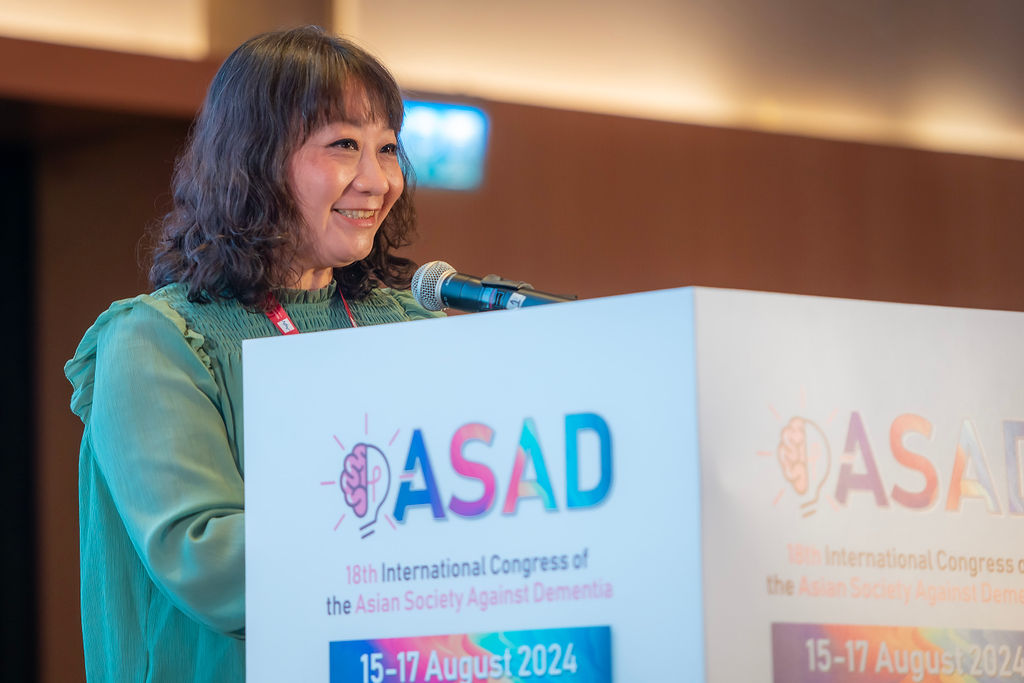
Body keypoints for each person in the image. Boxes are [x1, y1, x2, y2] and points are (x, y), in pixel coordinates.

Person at [65, 26, 441, 681]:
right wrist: (429, 533)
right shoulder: (156, 339)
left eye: (387, 148)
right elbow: (207, 563)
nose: (378, 181)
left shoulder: (412, 323)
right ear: (256, 159)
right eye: (344, 145)